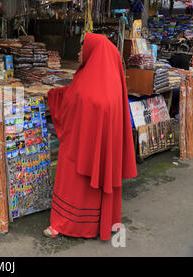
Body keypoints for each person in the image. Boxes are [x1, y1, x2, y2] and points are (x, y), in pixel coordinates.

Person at [43, 33, 137, 241]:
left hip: (80, 146)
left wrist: (52, 95)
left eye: (82, 49)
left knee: (73, 183)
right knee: (99, 181)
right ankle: (100, 222)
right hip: (102, 147)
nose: (78, 53)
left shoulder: (88, 83)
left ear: (93, 52)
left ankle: (65, 224)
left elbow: (73, 100)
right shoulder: (111, 80)